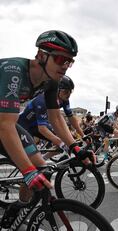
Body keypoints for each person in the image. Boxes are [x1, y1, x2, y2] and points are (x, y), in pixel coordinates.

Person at [0, 30, 94, 227]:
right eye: (61, 59)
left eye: (70, 62)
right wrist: (27, 171)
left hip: (4, 123)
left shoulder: (52, 81)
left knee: (41, 167)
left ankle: (19, 208)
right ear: (41, 56)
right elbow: (5, 126)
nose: (66, 66)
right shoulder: (14, 72)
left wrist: (75, 147)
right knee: (30, 170)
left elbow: (56, 118)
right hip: (4, 123)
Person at [17, 75, 85, 159]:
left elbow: (71, 118)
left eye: (70, 92)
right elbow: (42, 129)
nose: (68, 95)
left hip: (38, 125)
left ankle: (43, 160)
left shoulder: (64, 100)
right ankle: (34, 164)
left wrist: (83, 135)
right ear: (57, 90)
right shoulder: (42, 100)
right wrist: (59, 142)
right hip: (24, 125)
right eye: (66, 92)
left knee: (65, 141)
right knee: (32, 155)